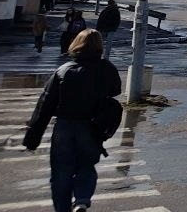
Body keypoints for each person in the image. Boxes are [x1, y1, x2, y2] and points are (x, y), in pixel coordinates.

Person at [24, 29, 122, 212]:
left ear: (76, 44)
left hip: (65, 125)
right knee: (86, 166)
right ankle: (82, 200)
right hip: (92, 126)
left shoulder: (64, 70)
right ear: (99, 47)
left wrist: (32, 137)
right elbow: (116, 91)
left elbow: (45, 105)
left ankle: (62, 209)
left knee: (61, 172)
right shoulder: (107, 69)